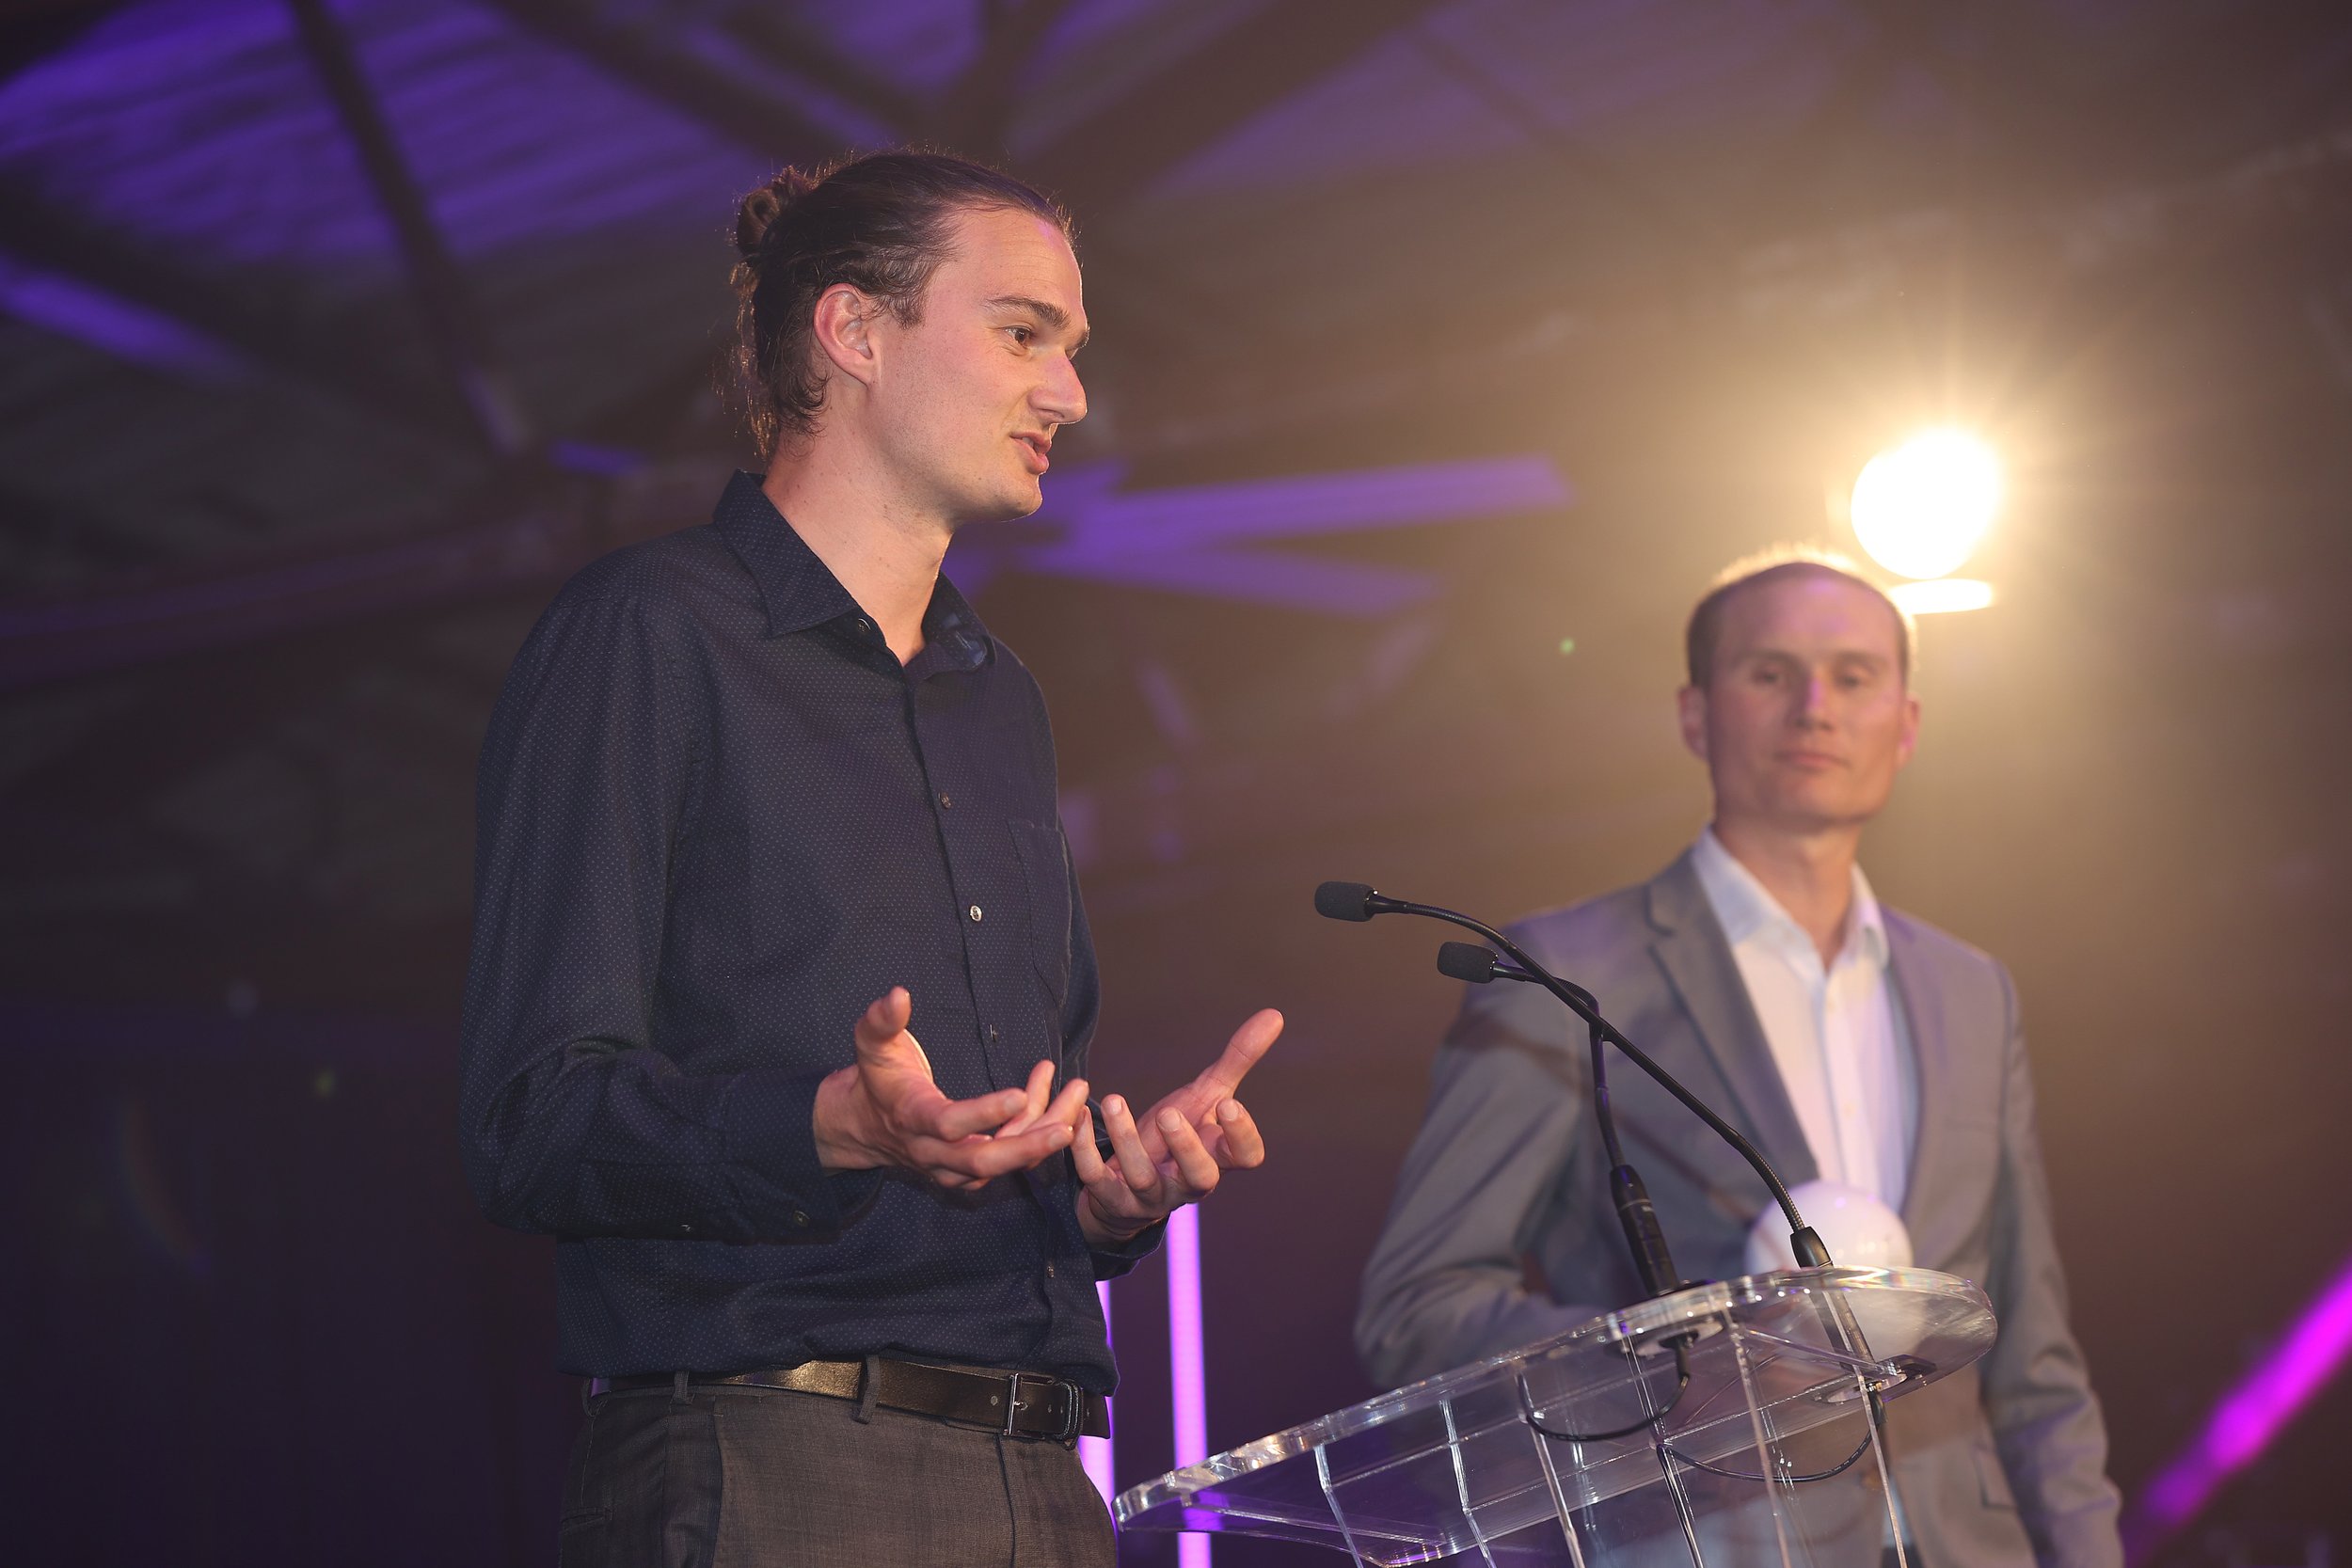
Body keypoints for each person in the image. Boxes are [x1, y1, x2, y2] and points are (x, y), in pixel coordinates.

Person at [458, 150, 1281, 1568]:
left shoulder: (999, 695)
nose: (1069, 394)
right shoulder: (650, 631)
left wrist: (1103, 1192)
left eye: (1073, 350)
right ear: (853, 331)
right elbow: (531, 1117)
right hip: (770, 1465)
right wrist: (828, 1122)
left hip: (1046, 1476)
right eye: (1024, 333)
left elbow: (1008, 1135)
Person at [1356, 549, 2122, 1567]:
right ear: (1693, 713)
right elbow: (1420, 1307)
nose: (1815, 706)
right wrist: (1687, 1366)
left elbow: (2033, 1363)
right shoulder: (1565, 970)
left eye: (1854, 676)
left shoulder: (1971, 990)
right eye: (1770, 672)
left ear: (1906, 722)